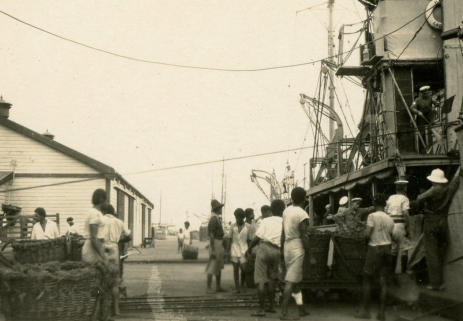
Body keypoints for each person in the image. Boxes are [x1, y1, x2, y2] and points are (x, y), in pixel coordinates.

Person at [356, 193, 394, 321]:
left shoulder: (372, 216)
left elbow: (367, 234)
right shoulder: (390, 218)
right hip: (387, 249)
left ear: (374, 204)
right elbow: (391, 235)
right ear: (384, 204)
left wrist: (362, 237)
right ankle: (381, 313)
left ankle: (365, 312)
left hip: (374, 249)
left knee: (367, 279)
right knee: (383, 281)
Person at [412, 168, 450, 291]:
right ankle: (444, 280)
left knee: (431, 253)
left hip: (431, 222)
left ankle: (435, 283)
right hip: (444, 221)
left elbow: (419, 198)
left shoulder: (434, 190)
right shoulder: (447, 189)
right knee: (442, 251)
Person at [248, 199, 285, 317]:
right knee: (273, 280)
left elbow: (257, 238)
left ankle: (261, 309)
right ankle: (271, 307)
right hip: (277, 251)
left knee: (261, 280)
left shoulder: (265, 221)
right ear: (283, 210)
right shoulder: (284, 221)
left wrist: (249, 248)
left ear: (271, 209)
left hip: (264, 249)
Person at [280, 187, 310, 320]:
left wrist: (282, 250)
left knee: (295, 280)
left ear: (292, 198)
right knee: (291, 281)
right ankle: (283, 312)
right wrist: (311, 254)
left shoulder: (286, 211)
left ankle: (301, 308)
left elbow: (282, 233)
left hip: (287, 246)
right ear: (304, 198)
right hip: (297, 246)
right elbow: (304, 236)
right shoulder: (302, 213)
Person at [101, 203, 131, 316]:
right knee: (115, 280)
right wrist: (119, 239)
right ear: (113, 212)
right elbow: (129, 236)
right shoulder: (119, 222)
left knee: (102, 278)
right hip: (114, 248)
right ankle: (116, 308)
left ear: (103, 212)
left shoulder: (100, 220)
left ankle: (104, 309)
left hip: (102, 248)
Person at [385, 179, 411, 273]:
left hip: (390, 224)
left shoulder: (391, 198)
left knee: (393, 248)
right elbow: (405, 213)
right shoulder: (405, 198)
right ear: (404, 188)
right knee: (404, 247)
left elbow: (386, 211)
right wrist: (408, 226)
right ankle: (404, 271)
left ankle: (392, 272)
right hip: (400, 224)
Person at [206, 199, 226, 293]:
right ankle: (209, 287)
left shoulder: (216, 218)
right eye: (220, 208)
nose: (221, 209)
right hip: (216, 243)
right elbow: (211, 235)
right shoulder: (214, 219)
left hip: (219, 243)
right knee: (212, 265)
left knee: (217, 266)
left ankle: (218, 286)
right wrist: (213, 249)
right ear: (216, 209)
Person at [228, 208, 250, 293]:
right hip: (234, 249)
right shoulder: (232, 226)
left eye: (239, 217)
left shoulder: (248, 226)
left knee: (244, 269)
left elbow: (249, 240)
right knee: (235, 269)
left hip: (244, 250)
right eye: (236, 217)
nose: (237, 219)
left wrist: (249, 251)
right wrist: (227, 251)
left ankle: (242, 283)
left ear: (243, 217)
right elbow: (229, 239)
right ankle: (237, 288)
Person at [410, 86, 434, 152]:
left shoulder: (430, 98)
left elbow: (435, 103)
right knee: (422, 134)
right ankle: (422, 150)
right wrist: (418, 112)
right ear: (422, 93)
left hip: (429, 118)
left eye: (427, 92)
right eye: (425, 93)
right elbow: (412, 108)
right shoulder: (417, 100)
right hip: (421, 119)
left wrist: (436, 104)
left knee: (430, 133)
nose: (426, 94)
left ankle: (430, 149)